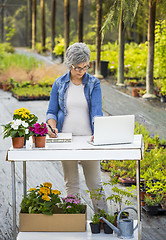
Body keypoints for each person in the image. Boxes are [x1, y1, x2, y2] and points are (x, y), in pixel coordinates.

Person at [46, 42, 108, 213]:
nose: (81, 71)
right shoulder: (59, 84)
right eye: (77, 67)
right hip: (66, 139)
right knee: (71, 184)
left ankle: (103, 221)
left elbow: (96, 112)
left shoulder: (93, 83)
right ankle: (74, 222)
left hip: (88, 140)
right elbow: (51, 112)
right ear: (69, 65)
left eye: (85, 67)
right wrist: (52, 127)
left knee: (95, 183)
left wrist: (99, 132)